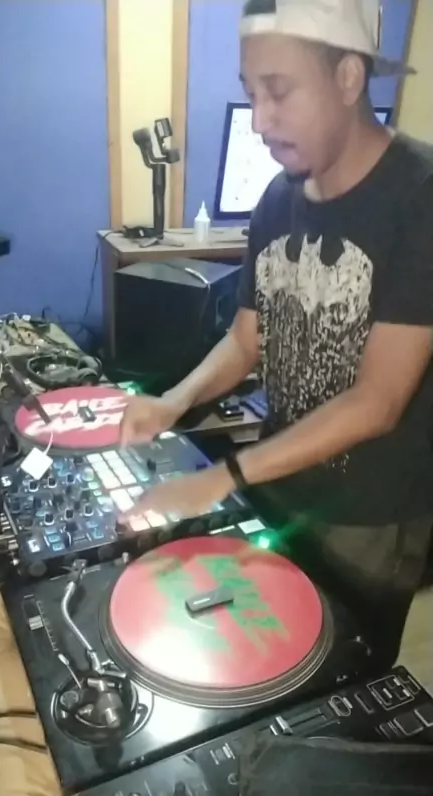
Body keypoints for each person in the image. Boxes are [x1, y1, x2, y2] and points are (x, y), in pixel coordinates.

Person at [119, 0, 433, 666]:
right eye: (251, 92)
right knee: (255, 661)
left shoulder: (421, 196)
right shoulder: (276, 200)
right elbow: (245, 340)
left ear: (348, 78)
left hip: (368, 520)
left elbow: (378, 402)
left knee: (340, 683)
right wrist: (173, 401)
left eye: (279, 91)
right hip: (278, 487)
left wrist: (221, 476)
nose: (260, 119)